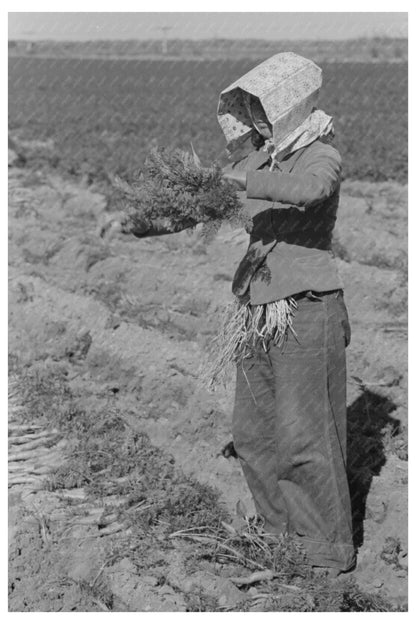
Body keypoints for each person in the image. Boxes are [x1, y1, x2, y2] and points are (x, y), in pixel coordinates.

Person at [100, 52, 356, 576]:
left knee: (304, 434)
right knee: (255, 432)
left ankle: (324, 551)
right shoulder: (256, 161)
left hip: (306, 306)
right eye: (251, 112)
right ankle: (280, 534)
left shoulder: (318, 154)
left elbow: (310, 193)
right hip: (256, 312)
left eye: (265, 110)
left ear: (288, 107)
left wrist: (243, 181)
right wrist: (137, 224)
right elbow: (202, 207)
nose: (257, 123)